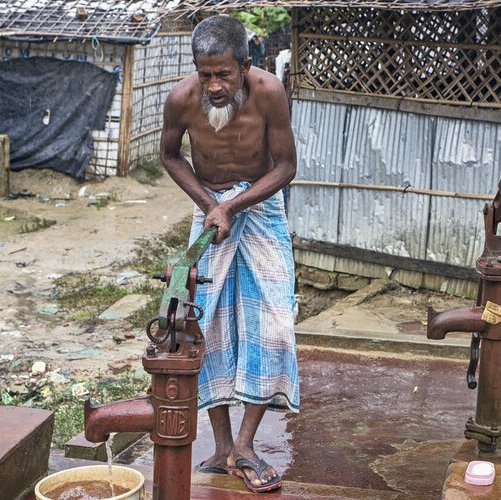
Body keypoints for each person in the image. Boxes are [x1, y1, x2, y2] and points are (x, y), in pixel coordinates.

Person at [159, 15, 298, 494]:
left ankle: (246, 445)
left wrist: (233, 205)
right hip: (210, 209)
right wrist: (210, 206)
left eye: (224, 74)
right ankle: (221, 449)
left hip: (260, 209)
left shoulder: (269, 92)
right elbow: (171, 156)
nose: (214, 86)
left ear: (246, 64)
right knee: (203, 320)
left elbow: (285, 166)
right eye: (205, 74)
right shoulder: (181, 99)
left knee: (274, 322)